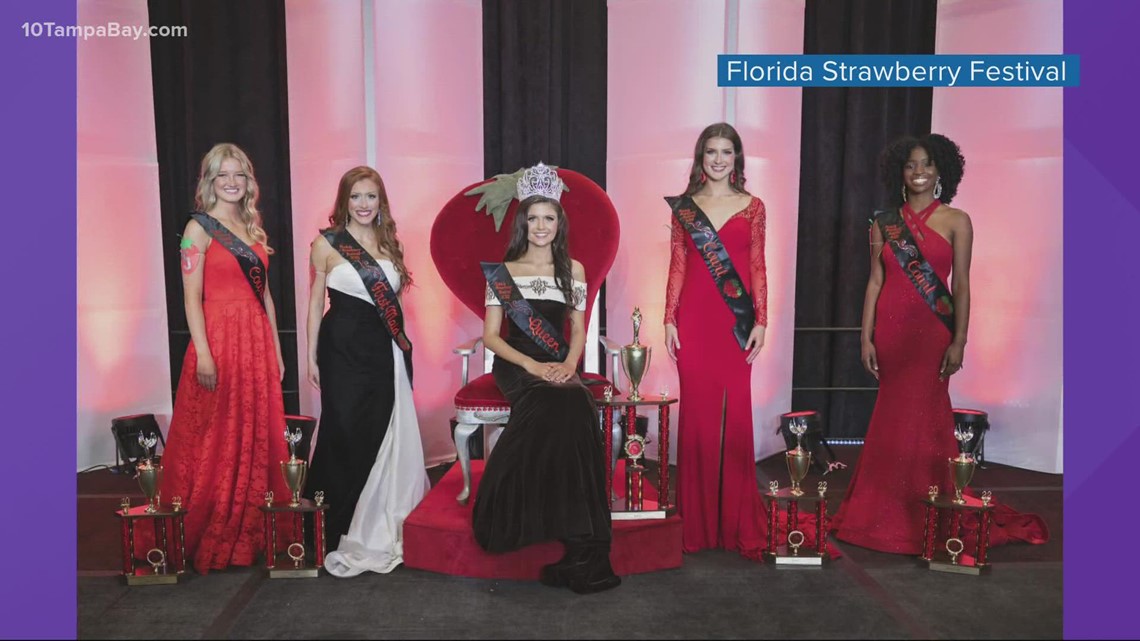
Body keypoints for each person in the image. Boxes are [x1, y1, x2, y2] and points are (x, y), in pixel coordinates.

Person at [833, 133, 1048, 554]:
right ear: (900, 171)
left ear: (941, 171)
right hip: (891, 334)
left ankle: (926, 508)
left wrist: (960, 340)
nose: (918, 172)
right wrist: (866, 336)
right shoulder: (883, 223)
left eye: (927, 164)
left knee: (927, 415)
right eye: (911, 164)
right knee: (892, 414)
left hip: (933, 334)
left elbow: (962, 285)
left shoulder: (957, 220)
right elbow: (875, 282)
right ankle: (883, 508)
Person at [471, 163, 620, 594]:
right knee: (555, 402)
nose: (540, 226)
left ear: (559, 223)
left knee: (575, 401)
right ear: (523, 222)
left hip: (558, 360)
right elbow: (491, 338)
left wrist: (571, 363)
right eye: (533, 218)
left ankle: (583, 539)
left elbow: (578, 325)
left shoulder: (572, 269)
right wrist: (533, 367)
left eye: (548, 218)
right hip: (517, 363)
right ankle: (519, 509)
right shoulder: (504, 271)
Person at [156, 142, 291, 573]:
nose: (232, 183)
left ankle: (250, 527)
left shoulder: (252, 226)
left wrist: (277, 346)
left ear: (248, 181)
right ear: (210, 181)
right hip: (217, 338)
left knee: (254, 432)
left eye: (239, 175)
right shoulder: (198, 228)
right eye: (223, 175)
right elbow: (191, 299)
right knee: (216, 434)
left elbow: (266, 296)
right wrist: (204, 355)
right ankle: (213, 524)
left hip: (254, 340)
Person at [304, 166, 430, 576]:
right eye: (356, 196)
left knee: (380, 429)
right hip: (341, 348)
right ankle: (334, 522)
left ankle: (376, 515)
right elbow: (313, 305)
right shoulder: (325, 245)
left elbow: (393, 306)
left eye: (370, 196)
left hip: (383, 350)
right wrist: (310, 355)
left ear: (381, 201)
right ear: (344, 200)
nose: (363, 204)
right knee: (342, 429)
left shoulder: (390, 243)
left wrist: (402, 353)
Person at [663, 123, 770, 559]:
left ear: (737, 158)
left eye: (727, 151)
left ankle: (733, 519)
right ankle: (699, 521)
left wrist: (762, 319)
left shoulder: (753, 207)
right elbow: (677, 265)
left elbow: (759, 265)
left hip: (736, 323)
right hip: (694, 319)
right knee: (698, 416)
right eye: (711, 151)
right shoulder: (685, 209)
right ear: (700, 157)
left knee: (736, 416)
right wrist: (668, 317)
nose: (719, 159)